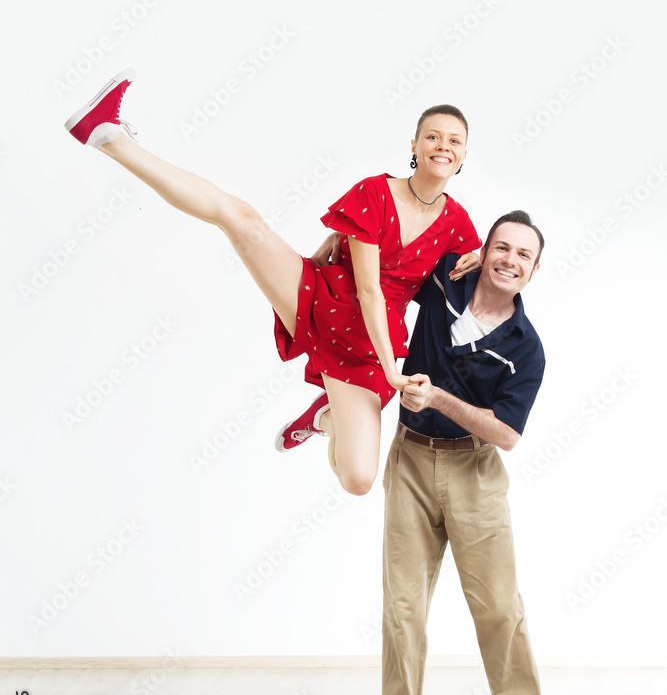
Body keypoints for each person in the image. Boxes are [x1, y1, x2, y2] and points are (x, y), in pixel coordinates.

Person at [64, 70, 481, 495]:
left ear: (464, 155)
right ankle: (109, 136)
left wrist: (495, 253)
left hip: (370, 345)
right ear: (414, 145)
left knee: (357, 479)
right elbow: (369, 287)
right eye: (432, 136)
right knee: (241, 220)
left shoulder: (459, 224)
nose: (442, 146)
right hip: (326, 298)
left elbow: (477, 279)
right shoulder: (375, 190)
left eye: (453, 141)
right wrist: (394, 372)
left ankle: (322, 417)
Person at [367, 210, 577, 695]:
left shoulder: (526, 349)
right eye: (501, 248)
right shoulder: (442, 281)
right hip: (408, 460)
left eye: (523, 256)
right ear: (482, 252)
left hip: (476, 473)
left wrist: (437, 395)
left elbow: (506, 435)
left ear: (533, 272)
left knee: (499, 612)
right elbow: (387, 262)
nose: (510, 260)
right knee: (402, 610)